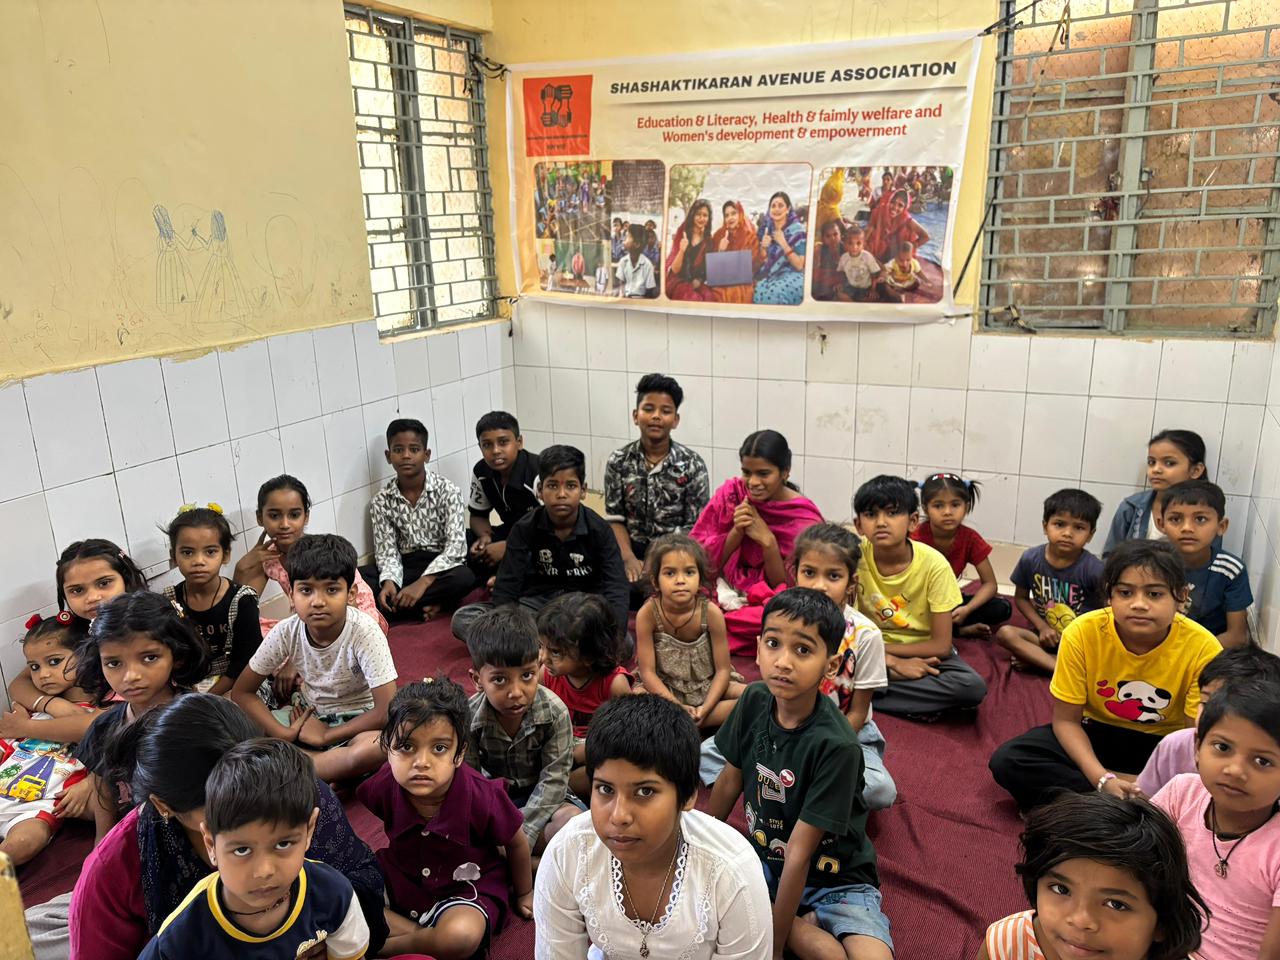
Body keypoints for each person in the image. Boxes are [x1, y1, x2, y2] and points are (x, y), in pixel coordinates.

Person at [67, 694, 388, 960]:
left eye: (283, 842)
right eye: (241, 847)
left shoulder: (288, 795)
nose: (250, 804)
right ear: (165, 806)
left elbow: (356, 886)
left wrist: (319, 942)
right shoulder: (116, 871)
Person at [709, 589, 893, 960]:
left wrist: (773, 948)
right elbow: (729, 779)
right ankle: (792, 920)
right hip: (765, 863)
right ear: (758, 649)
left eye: (803, 650)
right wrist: (703, 850)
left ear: (831, 665)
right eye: (773, 644)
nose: (783, 662)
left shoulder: (838, 745)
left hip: (836, 877)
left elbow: (799, 852)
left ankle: (785, 918)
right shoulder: (753, 700)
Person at [989, 540, 1224, 812]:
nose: (1139, 604)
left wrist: (1156, 778)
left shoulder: (1203, 648)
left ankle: (1098, 806)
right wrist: (1102, 779)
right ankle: (1129, 803)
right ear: (1109, 596)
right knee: (1010, 760)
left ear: (1181, 597)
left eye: (1154, 594)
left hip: (1161, 745)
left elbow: (1193, 739)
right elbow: (1066, 721)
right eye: (1125, 592)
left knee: (1209, 780)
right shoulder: (1082, 633)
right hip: (1096, 732)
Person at [534, 694, 772, 959]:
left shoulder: (730, 871)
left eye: (645, 791)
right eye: (605, 789)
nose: (619, 816)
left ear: (688, 796)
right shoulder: (568, 851)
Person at [137, 740, 369, 960]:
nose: (264, 871)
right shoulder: (180, 937)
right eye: (241, 850)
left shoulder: (333, 894)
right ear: (211, 844)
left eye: (283, 844)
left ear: (309, 830)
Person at [359, 679, 532, 960]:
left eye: (439, 748)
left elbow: (516, 843)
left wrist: (524, 892)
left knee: (460, 936)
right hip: (402, 878)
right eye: (406, 746)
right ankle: (428, 939)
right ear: (387, 748)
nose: (421, 762)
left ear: (459, 753)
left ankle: (380, 947)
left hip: (466, 887)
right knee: (343, 894)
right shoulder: (383, 785)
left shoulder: (482, 795)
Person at [231, 534, 397, 783]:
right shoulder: (286, 631)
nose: (318, 602)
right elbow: (242, 692)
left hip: (360, 721)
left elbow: (386, 710)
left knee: (384, 744)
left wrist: (326, 735)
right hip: (306, 716)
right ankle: (324, 768)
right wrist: (283, 733)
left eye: (332, 590)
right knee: (234, 728)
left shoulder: (364, 631)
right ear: (291, 595)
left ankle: (300, 765)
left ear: (351, 594)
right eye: (306, 590)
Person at [976, 792, 1206, 960]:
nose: (1081, 920)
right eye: (1061, 889)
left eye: (1116, 904)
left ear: (1162, 923)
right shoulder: (1007, 945)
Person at [451, 445, 629, 647]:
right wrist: (505, 624)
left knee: (624, 643)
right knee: (464, 619)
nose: (561, 494)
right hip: (537, 605)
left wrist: (614, 636)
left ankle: (536, 647)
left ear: (583, 490)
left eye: (570, 486)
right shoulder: (524, 528)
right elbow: (507, 586)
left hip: (583, 609)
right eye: (552, 486)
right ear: (540, 491)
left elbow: (616, 586)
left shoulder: (600, 530)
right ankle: (565, 649)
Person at [1151, 682, 1280, 960]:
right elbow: (1132, 863)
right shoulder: (1181, 794)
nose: (1235, 770)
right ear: (1198, 747)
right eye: (1222, 747)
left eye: (1262, 761)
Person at [74, 591, 211, 839]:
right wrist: (101, 845)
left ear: (177, 657)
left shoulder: (201, 721)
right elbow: (103, 791)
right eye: (114, 663)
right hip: (136, 836)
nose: (130, 676)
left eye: (149, 657)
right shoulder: (103, 728)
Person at [853, 475, 987, 717]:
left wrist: (885, 653)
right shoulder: (853, 558)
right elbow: (838, 626)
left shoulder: (935, 565)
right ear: (859, 525)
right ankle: (884, 685)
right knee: (823, 661)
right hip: (864, 650)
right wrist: (890, 661)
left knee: (970, 687)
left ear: (913, 521)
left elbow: (941, 646)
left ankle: (863, 691)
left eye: (892, 513)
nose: (881, 522)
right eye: (871, 515)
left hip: (921, 650)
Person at [691, 430, 824, 655]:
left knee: (787, 615)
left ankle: (718, 629)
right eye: (747, 472)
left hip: (768, 600)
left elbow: (794, 587)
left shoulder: (803, 518)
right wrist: (736, 532)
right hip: (723, 587)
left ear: (785, 472)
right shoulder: (732, 494)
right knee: (678, 594)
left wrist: (768, 542)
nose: (753, 482)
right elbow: (698, 561)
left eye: (763, 473)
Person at [794, 523, 896, 810]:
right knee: (709, 753)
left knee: (879, 790)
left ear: (851, 583)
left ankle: (795, 789)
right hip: (785, 724)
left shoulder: (866, 635)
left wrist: (818, 752)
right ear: (795, 573)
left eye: (833, 576)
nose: (819, 585)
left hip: (846, 733)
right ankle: (805, 790)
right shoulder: (784, 621)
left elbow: (858, 713)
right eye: (809, 572)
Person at [464, 605, 575, 848]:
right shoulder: (468, 717)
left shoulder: (555, 712)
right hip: (497, 799)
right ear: (477, 680)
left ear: (538, 668)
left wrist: (522, 835)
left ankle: (513, 858)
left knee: (573, 823)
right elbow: (471, 781)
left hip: (545, 799)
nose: (516, 692)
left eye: (527, 676)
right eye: (499, 679)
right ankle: (525, 860)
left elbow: (554, 780)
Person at [233, 474, 387, 637]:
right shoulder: (267, 557)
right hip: (311, 619)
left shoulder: (320, 551)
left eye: (294, 515)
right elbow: (241, 611)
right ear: (260, 518)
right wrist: (241, 568)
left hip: (353, 617)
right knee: (249, 629)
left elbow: (347, 606)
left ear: (306, 517)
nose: (284, 524)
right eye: (274, 516)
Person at [0, 614, 95, 866]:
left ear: (88, 655)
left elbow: (109, 756)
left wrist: (90, 784)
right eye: (34, 667)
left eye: (54, 662)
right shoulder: (32, 710)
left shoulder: (101, 712)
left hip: (38, 806)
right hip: (4, 782)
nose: (43, 674)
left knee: (22, 843)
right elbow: (8, 740)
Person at [603, 373, 711, 593]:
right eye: (649, 409)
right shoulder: (618, 461)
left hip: (677, 554)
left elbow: (696, 527)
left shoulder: (692, 465)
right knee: (611, 594)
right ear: (636, 416)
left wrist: (659, 562)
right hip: (630, 551)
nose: (656, 416)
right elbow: (615, 519)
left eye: (665, 411)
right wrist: (627, 558)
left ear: (676, 420)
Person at [362, 418, 475, 622]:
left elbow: (455, 549)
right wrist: (389, 582)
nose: (406, 456)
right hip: (406, 566)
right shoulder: (381, 501)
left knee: (464, 577)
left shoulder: (448, 491)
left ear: (426, 454)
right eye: (398, 450)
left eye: (414, 449)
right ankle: (432, 605)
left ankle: (398, 608)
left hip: (440, 567)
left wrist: (423, 583)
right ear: (388, 456)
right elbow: (387, 552)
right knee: (358, 578)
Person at [1136, 643, 1280, 796]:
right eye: (1205, 702)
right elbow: (1146, 798)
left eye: (1262, 761)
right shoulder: (1175, 744)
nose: (1210, 714)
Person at [634, 534, 744, 730]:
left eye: (689, 572)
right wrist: (677, 707)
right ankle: (684, 721)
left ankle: (688, 723)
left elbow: (723, 670)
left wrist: (706, 708)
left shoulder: (711, 613)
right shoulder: (647, 614)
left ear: (700, 579)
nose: (680, 580)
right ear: (655, 582)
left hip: (709, 685)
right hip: (664, 689)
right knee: (636, 697)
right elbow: (647, 672)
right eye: (670, 573)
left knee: (754, 696)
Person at [993, 489, 1105, 674]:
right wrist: (1042, 627)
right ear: (1045, 527)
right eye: (1059, 524)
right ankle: (1061, 668)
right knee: (1006, 634)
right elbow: (1021, 598)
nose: (1067, 533)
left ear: (1090, 534)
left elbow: (1108, 614)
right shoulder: (1031, 558)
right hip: (1045, 637)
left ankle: (1040, 661)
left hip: (1081, 643)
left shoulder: (1095, 570)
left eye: (1079, 528)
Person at [537, 593, 632, 798]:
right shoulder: (545, 675)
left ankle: (561, 789)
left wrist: (585, 751)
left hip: (595, 751)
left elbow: (627, 734)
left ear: (589, 655)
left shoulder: (614, 684)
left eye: (555, 652)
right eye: (541, 646)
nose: (543, 658)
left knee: (610, 769)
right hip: (556, 748)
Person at [160, 504, 260, 695]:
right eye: (187, 552)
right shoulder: (168, 601)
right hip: (188, 686)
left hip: (236, 682)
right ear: (174, 556)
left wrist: (209, 697)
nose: (199, 561)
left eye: (210, 552)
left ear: (226, 554)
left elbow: (246, 660)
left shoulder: (242, 601)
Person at [912, 473, 1012, 638]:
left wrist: (967, 609)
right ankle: (958, 631)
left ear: (966, 507)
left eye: (955, 505)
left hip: (948, 602)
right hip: (916, 603)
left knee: (1003, 608)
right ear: (925, 508)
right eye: (938, 506)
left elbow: (990, 584)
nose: (947, 512)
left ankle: (947, 628)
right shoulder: (914, 538)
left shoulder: (970, 538)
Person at [1155, 479, 1252, 648]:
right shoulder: (1149, 565)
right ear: (1161, 524)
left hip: (1210, 650)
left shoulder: (1230, 570)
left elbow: (1237, 636)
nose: (1187, 528)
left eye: (1200, 519)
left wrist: (1189, 655)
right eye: (1175, 519)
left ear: (1221, 526)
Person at [1103, 428, 1210, 556]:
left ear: (1196, 470)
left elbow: (1209, 561)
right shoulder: (1131, 507)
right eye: (1151, 462)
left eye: (1169, 463)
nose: (1156, 469)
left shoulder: (1209, 513)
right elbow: (1110, 555)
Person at [467, 410, 540, 580]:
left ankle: (501, 580)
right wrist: (485, 537)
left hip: (543, 537)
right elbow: (477, 515)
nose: (495, 451)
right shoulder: (481, 471)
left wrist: (509, 547)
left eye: (503, 442)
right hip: (512, 531)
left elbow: (559, 526)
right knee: (466, 542)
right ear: (480, 447)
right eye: (487, 445)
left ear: (519, 442)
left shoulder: (538, 473)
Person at [751, 191, 807, 305]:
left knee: (774, 296)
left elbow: (799, 265)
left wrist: (783, 243)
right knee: (755, 293)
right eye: (773, 206)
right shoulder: (768, 230)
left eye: (781, 205)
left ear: (788, 209)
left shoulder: (797, 230)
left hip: (793, 276)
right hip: (772, 275)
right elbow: (765, 260)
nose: (776, 209)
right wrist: (763, 248)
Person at [666, 199, 717, 302]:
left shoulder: (708, 240)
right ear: (692, 215)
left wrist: (699, 280)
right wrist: (682, 250)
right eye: (698, 214)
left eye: (705, 215)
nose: (701, 218)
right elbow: (675, 270)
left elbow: (706, 268)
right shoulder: (682, 232)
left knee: (709, 296)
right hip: (678, 280)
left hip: (695, 282)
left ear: (709, 218)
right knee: (691, 297)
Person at [864, 188, 929, 265]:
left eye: (900, 205)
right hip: (878, 251)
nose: (895, 207)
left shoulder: (906, 219)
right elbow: (868, 231)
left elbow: (925, 237)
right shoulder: (879, 211)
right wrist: (862, 247)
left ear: (905, 208)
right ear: (889, 201)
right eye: (893, 202)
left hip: (897, 252)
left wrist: (908, 249)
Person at [709, 200, 755, 303]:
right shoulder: (718, 235)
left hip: (742, 282)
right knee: (716, 294)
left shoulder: (750, 236)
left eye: (733, 213)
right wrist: (720, 251)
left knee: (738, 292)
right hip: (721, 280)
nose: (730, 218)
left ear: (740, 215)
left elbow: (754, 265)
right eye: (727, 215)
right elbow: (713, 269)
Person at [837, 224, 881, 302]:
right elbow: (841, 272)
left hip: (865, 288)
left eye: (858, 243)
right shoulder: (844, 258)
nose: (854, 247)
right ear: (845, 244)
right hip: (851, 287)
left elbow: (874, 274)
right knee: (839, 294)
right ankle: (853, 303)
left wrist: (873, 290)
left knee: (871, 298)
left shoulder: (867, 256)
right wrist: (840, 284)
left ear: (863, 244)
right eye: (850, 243)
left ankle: (856, 302)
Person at [616, 223, 658, 299]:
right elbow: (621, 284)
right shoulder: (623, 262)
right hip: (625, 300)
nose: (624, 240)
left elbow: (649, 291)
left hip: (641, 301)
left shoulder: (647, 265)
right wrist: (622, 296)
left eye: (627, 237)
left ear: (637, 244)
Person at [811, 218, 847, 301]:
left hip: (842, 280)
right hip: (827, 280)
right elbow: (817, 269)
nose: (832, 238)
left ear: (840, 234)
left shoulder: (846, 248)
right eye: (828, 236)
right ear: (822, 239)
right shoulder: (820, 249)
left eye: (835, 234)